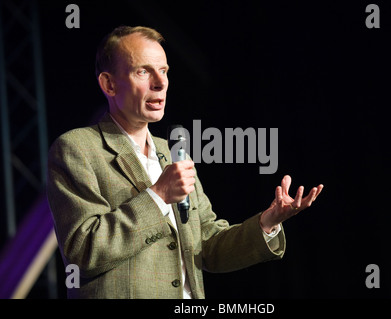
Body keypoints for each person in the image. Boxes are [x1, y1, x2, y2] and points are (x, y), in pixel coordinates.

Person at [46, 26, 324, 299]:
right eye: (143, 71)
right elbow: (83, 251)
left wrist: (267, 222)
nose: (160, 82)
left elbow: (207, 246)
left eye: (164, 71)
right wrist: (158, 196)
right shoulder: (78, 148)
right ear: (109, 84)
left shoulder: (174, 152)